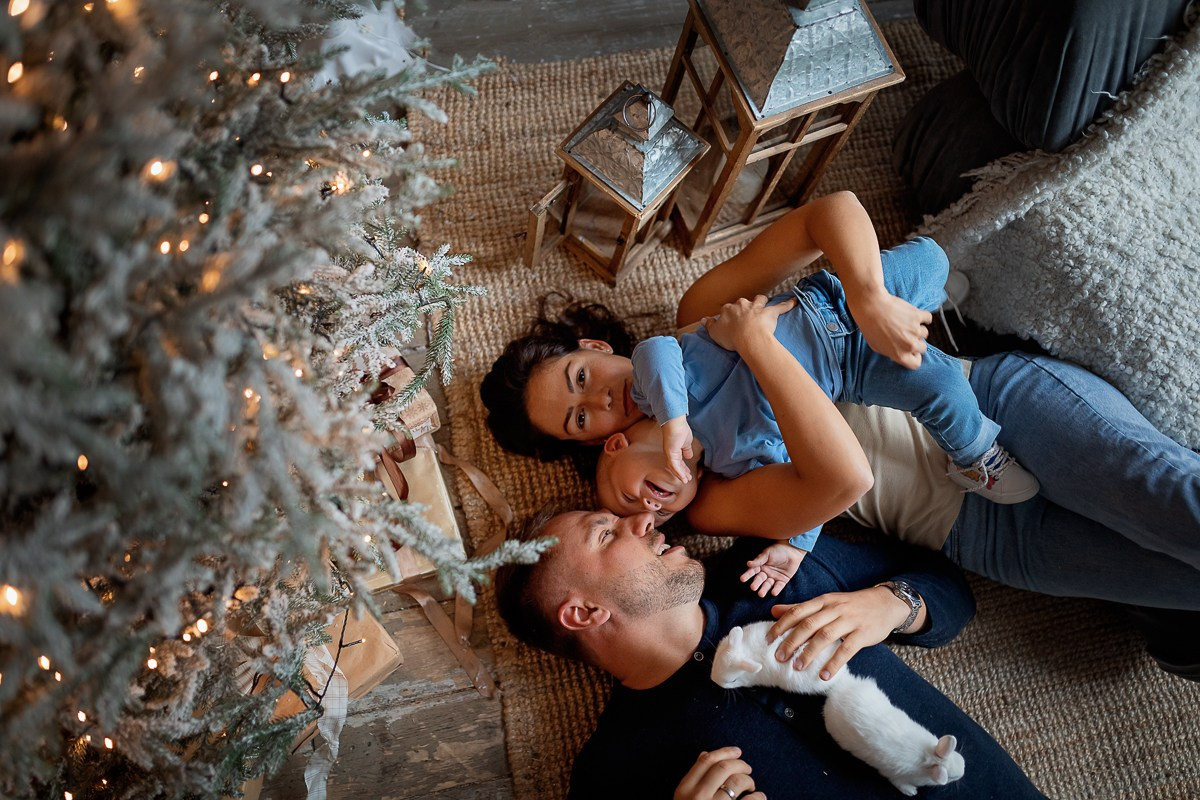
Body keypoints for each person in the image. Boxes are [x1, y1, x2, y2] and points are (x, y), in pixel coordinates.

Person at [481, 191, 1200, 678]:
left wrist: (865, 296)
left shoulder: (695, 317)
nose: (600, 398)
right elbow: (840, 484)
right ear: (594, 442)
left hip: (994, 406)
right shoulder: (692, 501)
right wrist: (759, 348)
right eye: (580, 416)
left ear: (591, 343)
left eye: (581, 376)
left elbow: (834, 211)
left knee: (1178, 508)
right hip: (979, 536)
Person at [493, 507, 1049, 799]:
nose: (642, 520)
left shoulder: (775, 567)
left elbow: (948, 586)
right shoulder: (612, 774)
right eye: (608, 534)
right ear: (584, 614)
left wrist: (889, 605)